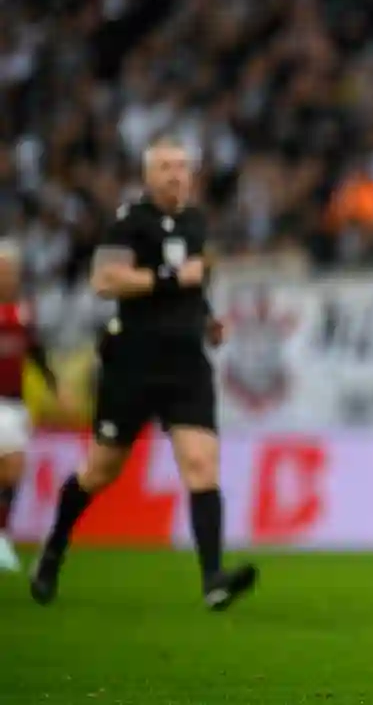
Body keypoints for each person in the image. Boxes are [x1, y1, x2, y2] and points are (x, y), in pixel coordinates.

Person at [29, 136, 257, 611]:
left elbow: (193, 287)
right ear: (148, 175)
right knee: (100, 470)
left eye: (182, 167)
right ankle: (53, 550)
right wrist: (173, 279)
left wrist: (207, 318)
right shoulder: (130, 223)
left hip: (186, 364)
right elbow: (104, 279)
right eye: (166, 167)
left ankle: (213, 578)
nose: (176, 175)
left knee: (201, 464)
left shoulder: (195, 222)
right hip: (133, 362)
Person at [0, 243, 69, 572]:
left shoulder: (23, 310)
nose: (8, 277)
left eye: (11, 271)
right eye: (3, 271)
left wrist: (53, 383)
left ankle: (1, 536)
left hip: (13, 404)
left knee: (13, 472)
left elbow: (36, 350)